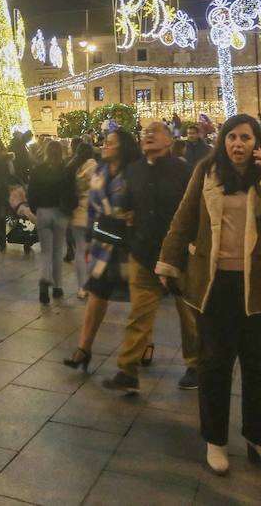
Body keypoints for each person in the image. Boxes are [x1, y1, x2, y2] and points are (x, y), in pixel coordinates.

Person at [156, 113, 261, 478]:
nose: (238, 144)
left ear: (256, 142)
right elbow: (184, 217)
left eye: (246, 138)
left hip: (258, 285)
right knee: (214, 364)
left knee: (258, 367)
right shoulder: (207, 171)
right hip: (214, 284)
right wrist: (168, 263)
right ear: (223, 140)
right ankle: (215, 439)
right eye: (232, 137)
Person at [104, 119, 200, 394]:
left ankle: (195, 364)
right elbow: (127, 206)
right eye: (145, 131)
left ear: (169, 140)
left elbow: (195, 210)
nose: (148, 134)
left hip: (177, 256)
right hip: (143, 253)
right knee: (139, 315)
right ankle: (128, 370)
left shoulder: (184, 171)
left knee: (189, 315)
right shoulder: (133, 171)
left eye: (156, 131)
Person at [63, 129, 141, 370]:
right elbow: (93, 209)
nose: (105, 146)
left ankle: (145, 345)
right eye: (105, 143)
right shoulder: (100, 171)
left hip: (128, 245)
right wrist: (89, 234)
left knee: (139, 303)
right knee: (96, 296)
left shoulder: (134, 174)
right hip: (104, 245)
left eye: (110, 143)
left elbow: (144, 204)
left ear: (123, 148)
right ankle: (83, 349)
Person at [27, 141, 74, 303]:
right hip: (60, 214)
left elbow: (31, 192)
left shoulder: (38, 170)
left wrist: (35, 209)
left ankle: (44, 279)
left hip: (43, 212)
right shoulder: (66, 171)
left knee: (46, 250)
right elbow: (72, 193)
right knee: (58, 250)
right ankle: (58, 287)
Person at [69, 141, 97, 298]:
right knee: (92, 250)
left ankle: (82, 287)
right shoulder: (95, 167)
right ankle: (92, 283)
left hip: (76, 213)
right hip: (92, 214)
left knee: (80, 251)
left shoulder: (73, 167)